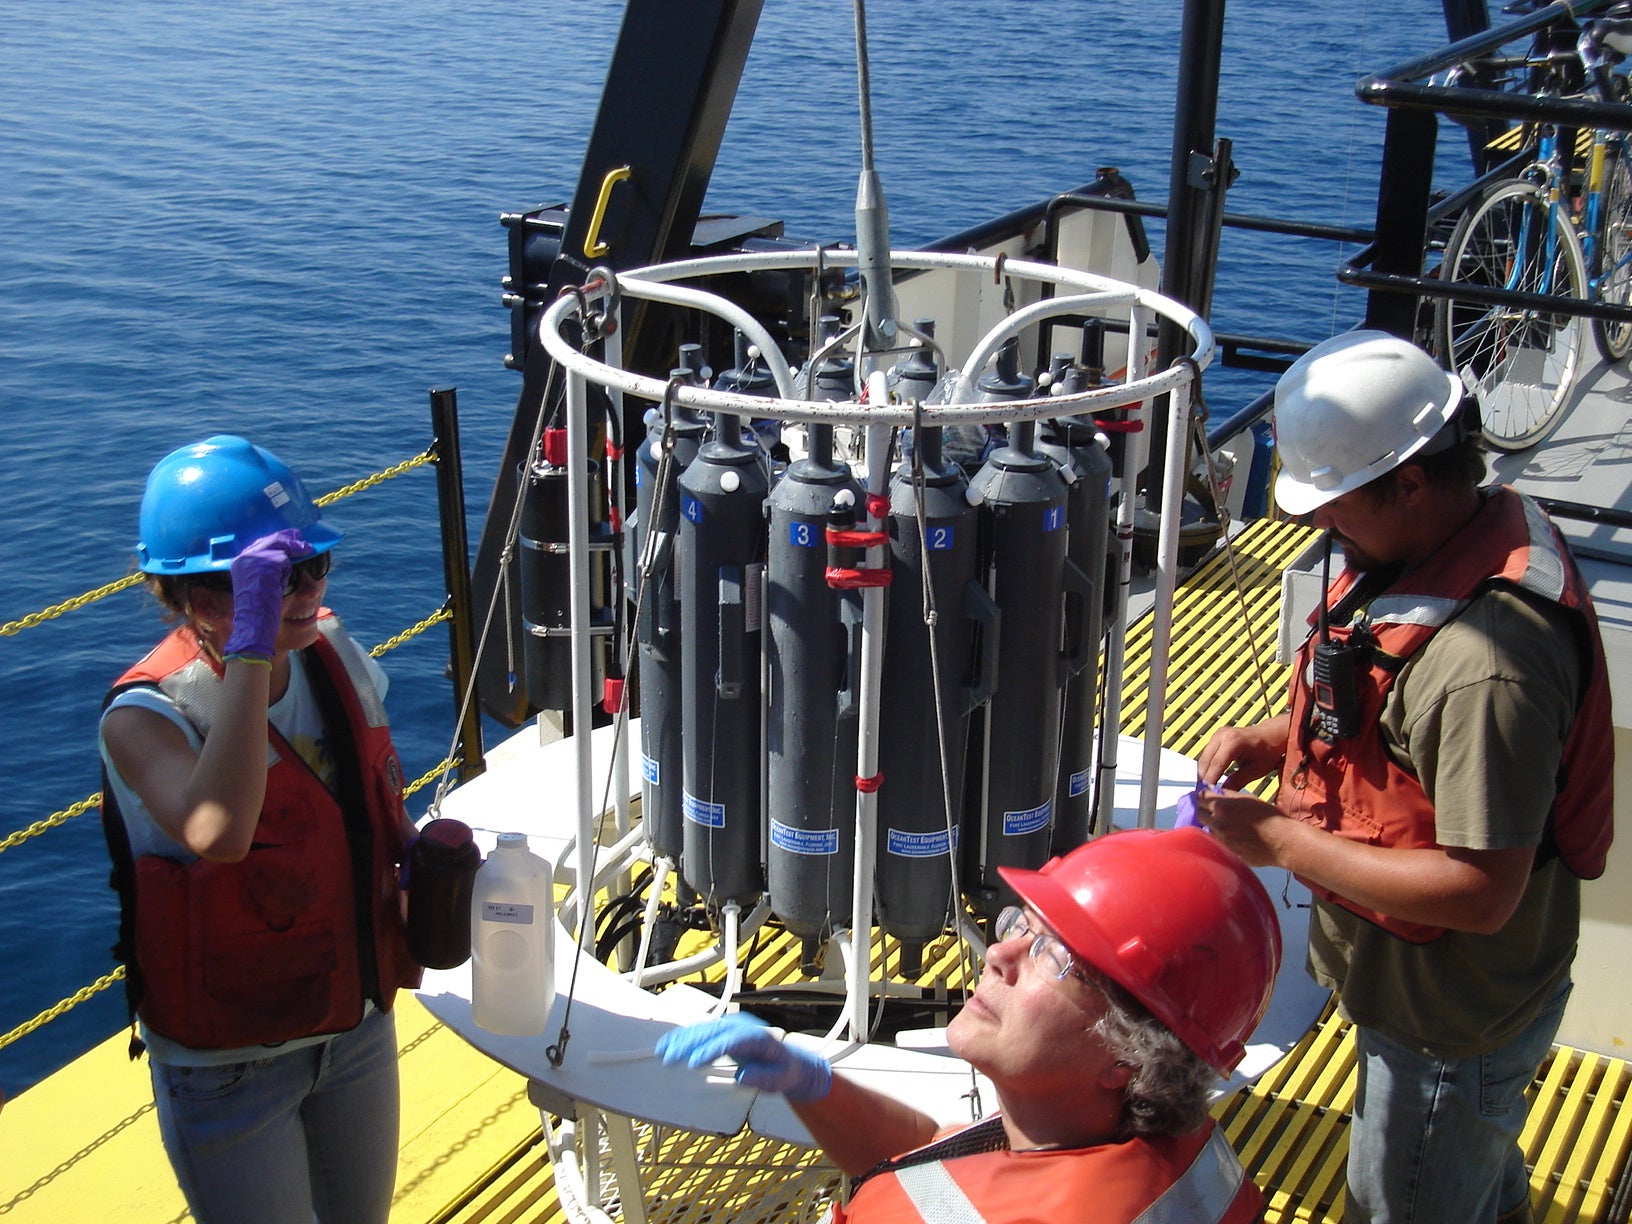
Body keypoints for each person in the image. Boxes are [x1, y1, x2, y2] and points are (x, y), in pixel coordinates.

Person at [1195, 331, 1614, 1224]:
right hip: (1431, 1005)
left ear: (1413, 481)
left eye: (1340, 510)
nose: (1324, 531)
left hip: (1450, 1025)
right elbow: (1394, 717)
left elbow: (1477, 891)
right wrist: (1275, 738)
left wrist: (1279, 840)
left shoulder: (1487, 668)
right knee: (1478, 1170)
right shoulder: (1444, 544)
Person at [98, 435, 423, 1224]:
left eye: (313, 565)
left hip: (352, 1027)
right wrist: (249, 648)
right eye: (275, 580)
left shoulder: (330, 653)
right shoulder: (145, 718)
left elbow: (364, 804)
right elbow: (221, 832)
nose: (307, 587)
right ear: (196, 597)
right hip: (231, 1067)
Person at [657, 826, 1280, 1223]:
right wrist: (810, 1085)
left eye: (1054, 956)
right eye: (1021, 927)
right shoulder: (1164, 1157)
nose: (1000, 955)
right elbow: (939, 1156)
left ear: (1131, 1057)